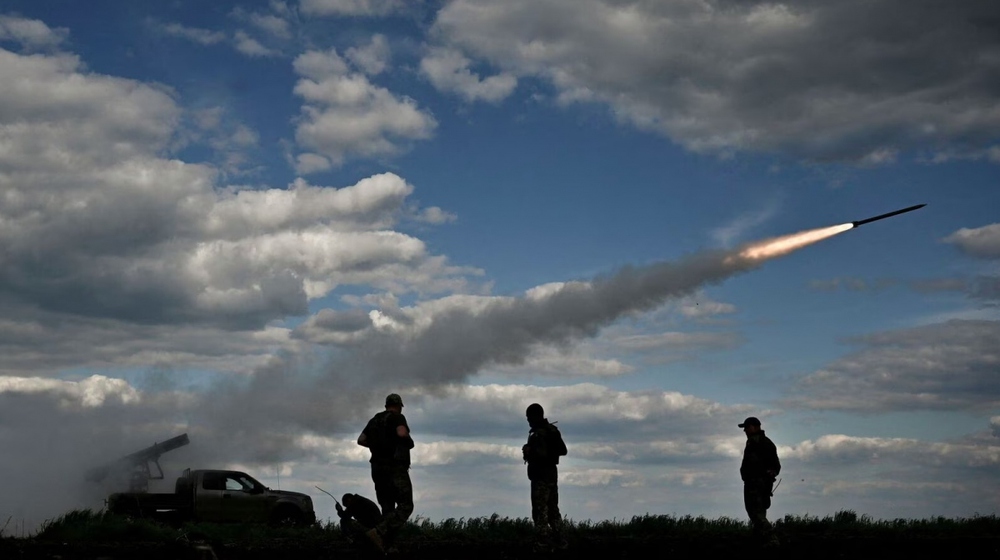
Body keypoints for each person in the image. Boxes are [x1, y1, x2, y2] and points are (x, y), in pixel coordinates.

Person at [358, 393, 414, 553]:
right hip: (394, 467)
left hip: (377, 468)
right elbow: (402, 433)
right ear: (399, 406)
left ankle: (388, 546)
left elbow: (361, 439)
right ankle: (378, 532)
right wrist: (407, 441)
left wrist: (377, 446)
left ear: (386, 405)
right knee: (405, 505)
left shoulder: (375, 419)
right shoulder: (397, 417)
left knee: (387, 508)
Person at [522, 403, 568, 550]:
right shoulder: (552, 431)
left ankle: (543, 540)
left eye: (529, 417)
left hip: (540, 476)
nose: (528, 420)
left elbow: (544, 454)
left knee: (540, 509)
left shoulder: (539, 434)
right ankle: (559, 538)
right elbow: (563, 450)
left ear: (535, 416)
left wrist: (531, 451)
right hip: (551, 476)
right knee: (553, 508)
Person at [739, 416, 780, 544]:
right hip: (757, 483)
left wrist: (765, 476)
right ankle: (759, 541)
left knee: (756, 514)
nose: (745, 430)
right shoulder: (763, 442)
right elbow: (776, 466)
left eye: (746, 427)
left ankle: (772, 539)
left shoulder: (759, 442)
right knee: (757, 513)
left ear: (754, 427)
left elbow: (774, 466)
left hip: (756, 484)